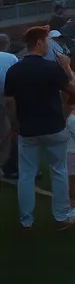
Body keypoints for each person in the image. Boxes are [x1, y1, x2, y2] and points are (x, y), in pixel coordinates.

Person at [2, 26, 75, 230]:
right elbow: (74, 91)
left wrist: (15, 124)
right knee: (59, 171)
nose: (48, 45)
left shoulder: (15, 70)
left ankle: (26, 220)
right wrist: (68, 68)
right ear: (39, 43)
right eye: (46, 41)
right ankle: (61, 217)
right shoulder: (52, 68)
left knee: (26, 175)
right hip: (54, 127)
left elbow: (9, 102)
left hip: (28, 129)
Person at [0, 34, 18, 179]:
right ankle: (8, 166)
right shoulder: (11, 58)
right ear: (6, 44)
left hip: (6, 99)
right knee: (9, 132)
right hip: (7, 101)